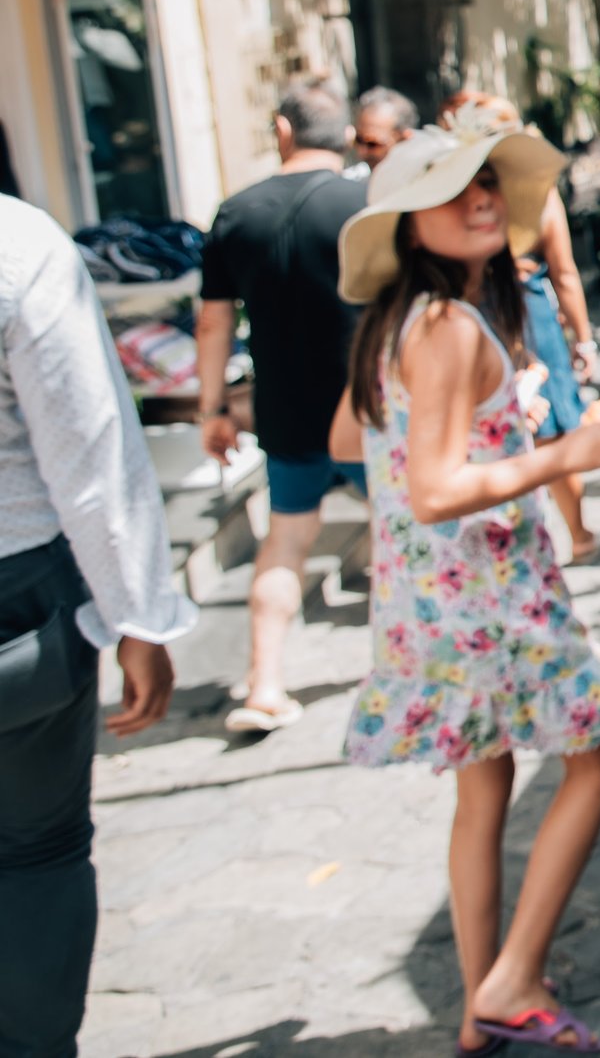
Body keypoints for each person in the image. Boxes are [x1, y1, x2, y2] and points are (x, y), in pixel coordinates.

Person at [330, 108, 600, 1057]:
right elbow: (434, 490)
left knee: (484, 786)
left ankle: (478, 1007)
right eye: (444, 192)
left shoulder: (399, 324)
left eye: (483, 183)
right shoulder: (452, 326)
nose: (476, 198)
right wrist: (561, 451)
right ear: (405, 225)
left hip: (428, 602)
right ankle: (510, 977)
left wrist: (492, 418)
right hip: (486, 595)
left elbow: (350, 440)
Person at [0, 195, 192, 1057]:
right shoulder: (16, 243)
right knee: (38, 851)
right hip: (17, 598)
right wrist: (138, 618)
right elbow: (90, 453)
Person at [195, 79, 368, 735]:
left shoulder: (236, 212)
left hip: (286, 409)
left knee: (286, 539)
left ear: (282, 130)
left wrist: (214, 408)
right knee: (408, 531)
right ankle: (419, 661)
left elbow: (212, 325)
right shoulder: (370, 201)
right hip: (369, 407)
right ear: (346, 134)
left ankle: (265, 684)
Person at [441, 93, 600, 565]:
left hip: (500, 312)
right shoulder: (532, 192)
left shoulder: (456, 197)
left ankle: (546, 537)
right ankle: (577, 534)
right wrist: (584, 337)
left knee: (513, 430)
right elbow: (564, 270)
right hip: (523, 312)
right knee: (547, 431)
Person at [348, 86, 419, 177]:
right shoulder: (354, 180)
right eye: (358, 140)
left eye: (372, 144)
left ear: (404, 139)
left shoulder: (426, 183)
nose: (362, 152)